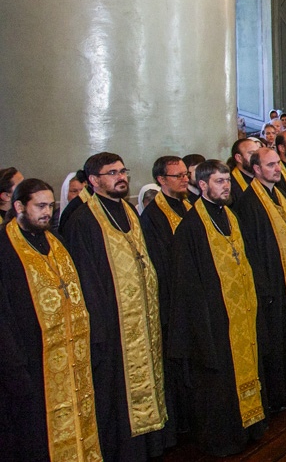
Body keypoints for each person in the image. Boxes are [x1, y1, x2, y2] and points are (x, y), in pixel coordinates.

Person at [60, 152, 168, 460]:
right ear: (94, 181)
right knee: (116, 393)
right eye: (112, 173)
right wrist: (101, 328)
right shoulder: (83, 220)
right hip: (112, 325)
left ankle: (150, 445)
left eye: (123, 171)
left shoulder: (128, 211)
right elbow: (85, 278)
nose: (120, 177)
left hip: (142, 318)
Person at [167, 160, 268, 456]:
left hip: (242, 314)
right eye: (220, 182)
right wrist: (202, 329)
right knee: (218, 385)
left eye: (227, 180)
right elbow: (185, 287)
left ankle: (251, 427)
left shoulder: (230, 215)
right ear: (203, 186)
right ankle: (224, 440)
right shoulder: (191, 229)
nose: (227, 186)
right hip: (213, 323)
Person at [0, 179, 103, 461]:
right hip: (32, 363)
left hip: (70, 359)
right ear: (19, 206)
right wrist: (15, 368)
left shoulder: (54, 241)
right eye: (40, 206)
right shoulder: (5, 248)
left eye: (50, 206)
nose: (47, 212)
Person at [235, 148, 286, 410]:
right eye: (270, 165)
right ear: (256, 169)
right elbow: (253, 250)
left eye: (277, 165)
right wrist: (266, 287)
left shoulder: (279, 194)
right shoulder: (249, 203)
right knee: (278, 337)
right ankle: (281, 391)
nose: (277, 169)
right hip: (273, 284)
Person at [139, 155, 193, 439]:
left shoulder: (188, 204)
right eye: (178, 176)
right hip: (175, 303)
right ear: (161, 180)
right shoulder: (153, 216)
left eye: (186, 174)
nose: (185, 179)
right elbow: (161, 266)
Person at [229, 137, 261, 205]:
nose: (257, 158)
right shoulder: (230, 186)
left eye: (257, 153)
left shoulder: (263, 178)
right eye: (251, 153)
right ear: (239, 158)